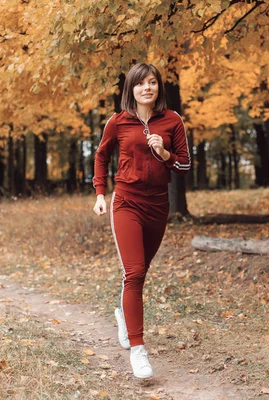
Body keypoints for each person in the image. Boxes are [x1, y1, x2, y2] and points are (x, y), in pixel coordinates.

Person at [92, 63, 190, 378]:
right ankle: (138, 350)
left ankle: (123, 312)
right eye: (140, 84)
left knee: (141, 272)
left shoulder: (173, 121)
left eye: (152, 83)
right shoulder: (117, 122)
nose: (147, 88)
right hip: (126, 202)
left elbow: (185, 166)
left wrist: (165, 154)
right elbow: (101, 156)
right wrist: (99, 193)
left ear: (159, 88)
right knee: (134, 273)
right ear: (130, 90)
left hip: (158, 205)